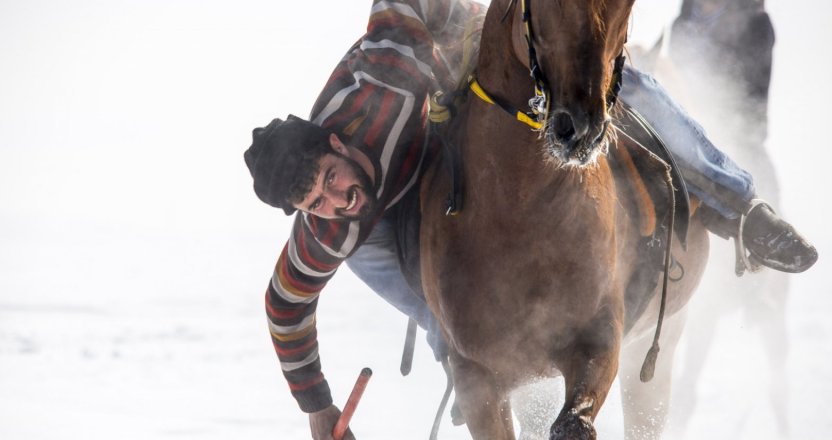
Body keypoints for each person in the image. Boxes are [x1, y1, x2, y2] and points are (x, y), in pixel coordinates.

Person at [243, 1, 817, 438]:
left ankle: (739, 207)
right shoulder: (331, 225)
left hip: (450, 47)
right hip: (393, 188)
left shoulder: (388, 79)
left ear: (340, 145)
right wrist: (318, 408)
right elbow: (284, 305)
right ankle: (457, 350)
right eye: (315, 202)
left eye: (330, 181)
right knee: (414, 284)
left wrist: (467, 48)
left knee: (623, 87)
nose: (334, 199)